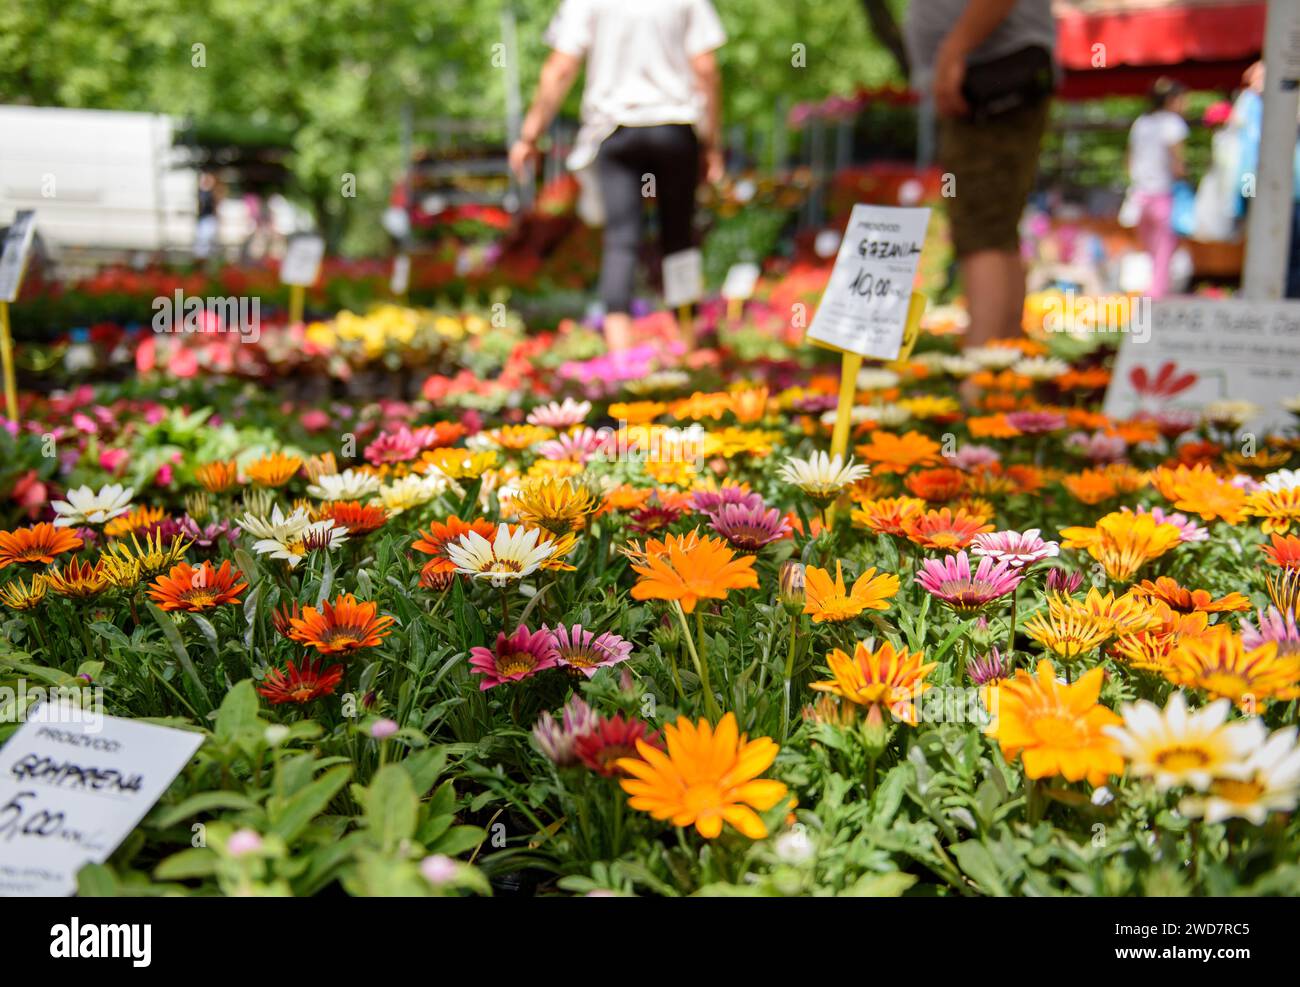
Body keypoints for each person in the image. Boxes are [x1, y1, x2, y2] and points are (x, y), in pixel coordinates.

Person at [509, 0, 726, 353]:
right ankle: (687, 344)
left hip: (615, 130)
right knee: (680, 239)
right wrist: (712, 140)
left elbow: (560, 68)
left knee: (621, 241)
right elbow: (706, 69)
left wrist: (530, 135)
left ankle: (620, 356)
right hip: (675, 128)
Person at [905, 0, 1056, 351]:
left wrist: (953, 49)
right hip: (988, 78)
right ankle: (1000, 372)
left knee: (981, 233)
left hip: (987, 83)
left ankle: (980, 378)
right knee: (996, 232)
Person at [1125, 78, 1189, 299]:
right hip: (1163, 193)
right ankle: (1158, 291)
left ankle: (1151, 288)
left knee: (1150, 245)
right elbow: (1178, 163)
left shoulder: (1141, 123)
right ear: (1172, 100)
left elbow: (1130, 160)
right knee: (1164, 246)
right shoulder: (1173, 124)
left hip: (1139, 193)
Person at [193, 170, 221, 262]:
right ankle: (202, 259)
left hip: (209, 219)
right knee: (202, 241)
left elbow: (215, 207)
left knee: (209, 240)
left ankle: (209, 259)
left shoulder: (212, 192)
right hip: (203, 219)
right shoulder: (201, 192)